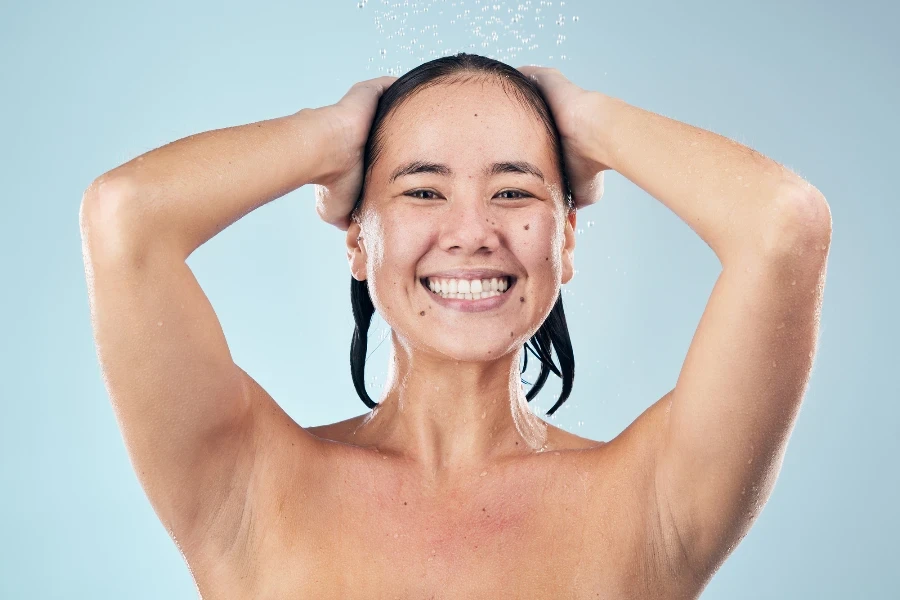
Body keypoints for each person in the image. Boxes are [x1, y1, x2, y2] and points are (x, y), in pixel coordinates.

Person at [79, 53, 831, 598]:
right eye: (422, 191)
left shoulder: (649, 502)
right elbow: (124, 220)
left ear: (566, 241)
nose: (472, 233)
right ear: (355, 238)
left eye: (512, 191)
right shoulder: (245, 484)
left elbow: (784, 226)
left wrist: (588, 121)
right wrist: (329, 135)